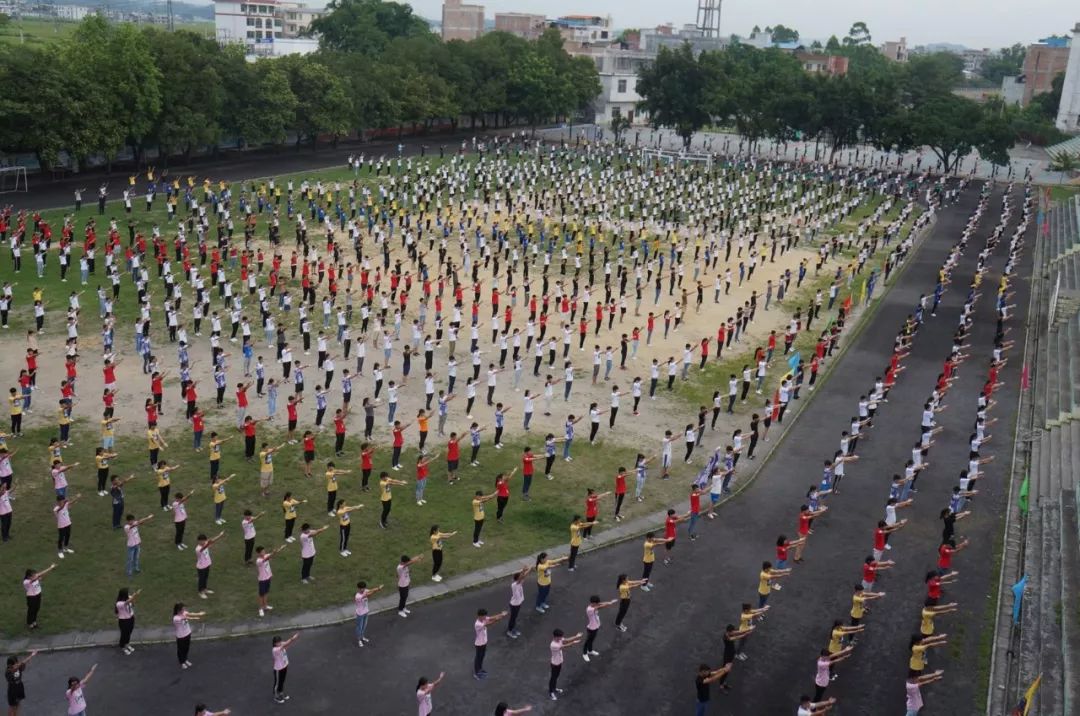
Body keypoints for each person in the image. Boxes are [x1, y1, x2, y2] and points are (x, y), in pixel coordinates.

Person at [473, 608, 509, 679]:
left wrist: (501, 614)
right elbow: (490, 623)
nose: (485, 617)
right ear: (479, 616)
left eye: (485, 616)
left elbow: (491, 617)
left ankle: (480, 669)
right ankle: (477, 673)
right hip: (479, 644)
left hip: (484, 643)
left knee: (482, 657)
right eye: (483, 616)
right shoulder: (478, 624)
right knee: (478, 658)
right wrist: (499, 618)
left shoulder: (483, 619)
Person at [548, 629, 583, 701]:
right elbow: (565, 646)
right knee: (553, 678)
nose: (561, 638)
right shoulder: (553, 645)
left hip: (559, 662)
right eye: (560, 637)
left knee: (556, 677)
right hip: (555, 664)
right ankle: (551, 692)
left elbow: (566, 640)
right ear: (556, 637)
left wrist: (576, 636)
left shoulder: (559, 640)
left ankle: (554, 688)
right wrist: (573, 642)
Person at [581, 594, 618, 661]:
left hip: (596, 627)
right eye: (596, 603)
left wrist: (609, 602)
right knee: (588, 641)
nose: (597, 604)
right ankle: (584, 653)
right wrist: (610, 603)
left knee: (591, 640)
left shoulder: (594, 605)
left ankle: (590, 650)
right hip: (591, 628)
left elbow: (600, 604)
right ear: (593, 603)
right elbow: (601, 606)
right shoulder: (590, 609)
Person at [255, 543, 287, 617]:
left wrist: (281, 547)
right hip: (262, 579)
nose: (264, 552)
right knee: (261, 594)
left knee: (266, 592)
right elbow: (267, 558)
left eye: (264, 551)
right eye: (262, 552)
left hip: (268, 578)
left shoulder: (266, 556)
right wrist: (273, 552)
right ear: (259, 553)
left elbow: (272, 554)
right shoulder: (259, 561)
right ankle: (260, 609)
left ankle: (265, 606)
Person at [22, 563, 56, 629]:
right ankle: (30, 623)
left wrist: (51, 568)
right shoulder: (26, 582)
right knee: (31, 610)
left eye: (34, 574)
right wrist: (37, 578)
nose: (35, 575)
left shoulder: (34, 577)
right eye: (33, 575)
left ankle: (34, 622)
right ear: (29, 576)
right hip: (31, 597)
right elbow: (34, 579)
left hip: (38, 595)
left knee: (37, 609)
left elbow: (42, 573)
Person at [173, 603, 205, 669]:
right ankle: (182, 662)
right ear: (178, 610)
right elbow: (186, 617)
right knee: (181, 650)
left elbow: (190, 613)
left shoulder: (183, 613)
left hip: (187, 633)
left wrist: (198, 614)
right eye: (183, 609)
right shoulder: (176, 618)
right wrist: (196, 618)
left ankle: (185, 659)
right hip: (181, 636)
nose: (184, 610)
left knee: (186, 648)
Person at [195, 531, 225, 598]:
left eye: (204, 540)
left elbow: (212, 540)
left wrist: (220, 535)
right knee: (201, 579)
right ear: (199, 541)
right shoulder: (198, 549)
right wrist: (208, 543)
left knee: (205, 578)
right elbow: (204, 548)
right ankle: (200, 592)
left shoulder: (205, 544)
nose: (204, 542)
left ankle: (205, 589)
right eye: (202, 541)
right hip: (201, 567)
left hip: (207, 564)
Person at [272, 633, 299, 704]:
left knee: (282, 681)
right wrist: (292, 638)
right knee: (277, 683)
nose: (280, 643)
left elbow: (286, 644)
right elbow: (285, 644)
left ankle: (281, 692)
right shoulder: (275, 649)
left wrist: (293, 640)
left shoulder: (281, 646)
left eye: (280, 641)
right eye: (278, 642)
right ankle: (276, 696)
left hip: (284, 666)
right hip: (278, 669)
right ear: (275, 643)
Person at [354, 581, 384, 646]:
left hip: (366, 612)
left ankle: (362, 637)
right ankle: (359, 640)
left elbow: (371, 590)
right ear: (358, 588)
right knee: (359, 627)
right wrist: (378, 590)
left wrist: (378, 588)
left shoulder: (365, 591)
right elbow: (369, 594)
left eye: (364, 588)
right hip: (360, 614)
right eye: (362, 588)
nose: (363, 590)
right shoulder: (358, 596)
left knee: (364, 626)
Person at [505, 565, 531, 638]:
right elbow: (521, 577)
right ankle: (509, 631)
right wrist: (523, 570)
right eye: (521, 577)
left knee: (515, 618)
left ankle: (513, 629)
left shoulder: (520, 583)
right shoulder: (514, 585)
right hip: (514, 605)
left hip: (518, 604)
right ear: (517, 579)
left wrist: (529, 569)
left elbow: (524, 576)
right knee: (512, 618)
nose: (523, 578)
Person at [115, 587, 141, 655]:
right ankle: (122, 646)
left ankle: (127, 644)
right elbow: (128, 602)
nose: (128, 594)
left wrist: (133, 600)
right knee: (124, 634)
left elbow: (132, 603)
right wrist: (136, 594)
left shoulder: (128, 598)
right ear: (123, 595)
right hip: (124, 621)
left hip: (131, 618)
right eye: (127, 593)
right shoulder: (119, 603)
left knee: (129, 632)